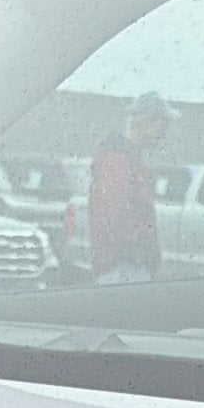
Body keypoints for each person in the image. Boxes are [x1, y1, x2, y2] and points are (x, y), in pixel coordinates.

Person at [85, 94, 171, 281]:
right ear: (146, 121)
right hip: (122, 265)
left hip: (132, 262)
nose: (163, 133)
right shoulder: (117, 160)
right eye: (161, 125)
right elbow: (116, 212)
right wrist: (135, 249)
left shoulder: (131, 160)